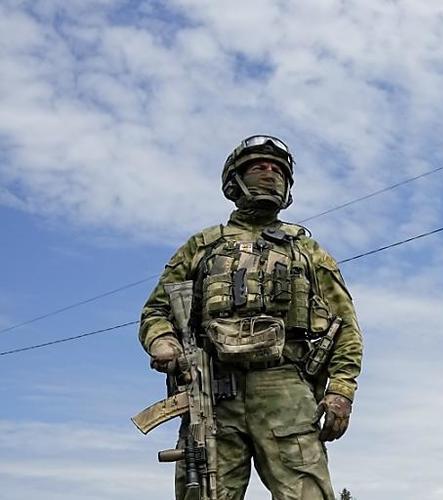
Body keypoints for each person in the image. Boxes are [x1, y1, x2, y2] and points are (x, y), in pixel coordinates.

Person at [138, 135, 363, 499]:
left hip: (286, 389)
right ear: (235, 181)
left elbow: (345, 327)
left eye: (277, 169)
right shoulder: (201, 247)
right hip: (213, 393)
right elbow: (156, 311)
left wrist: (341, 390)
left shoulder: (307, 250)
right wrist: (163, 341)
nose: (269, 174)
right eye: (258, 167)